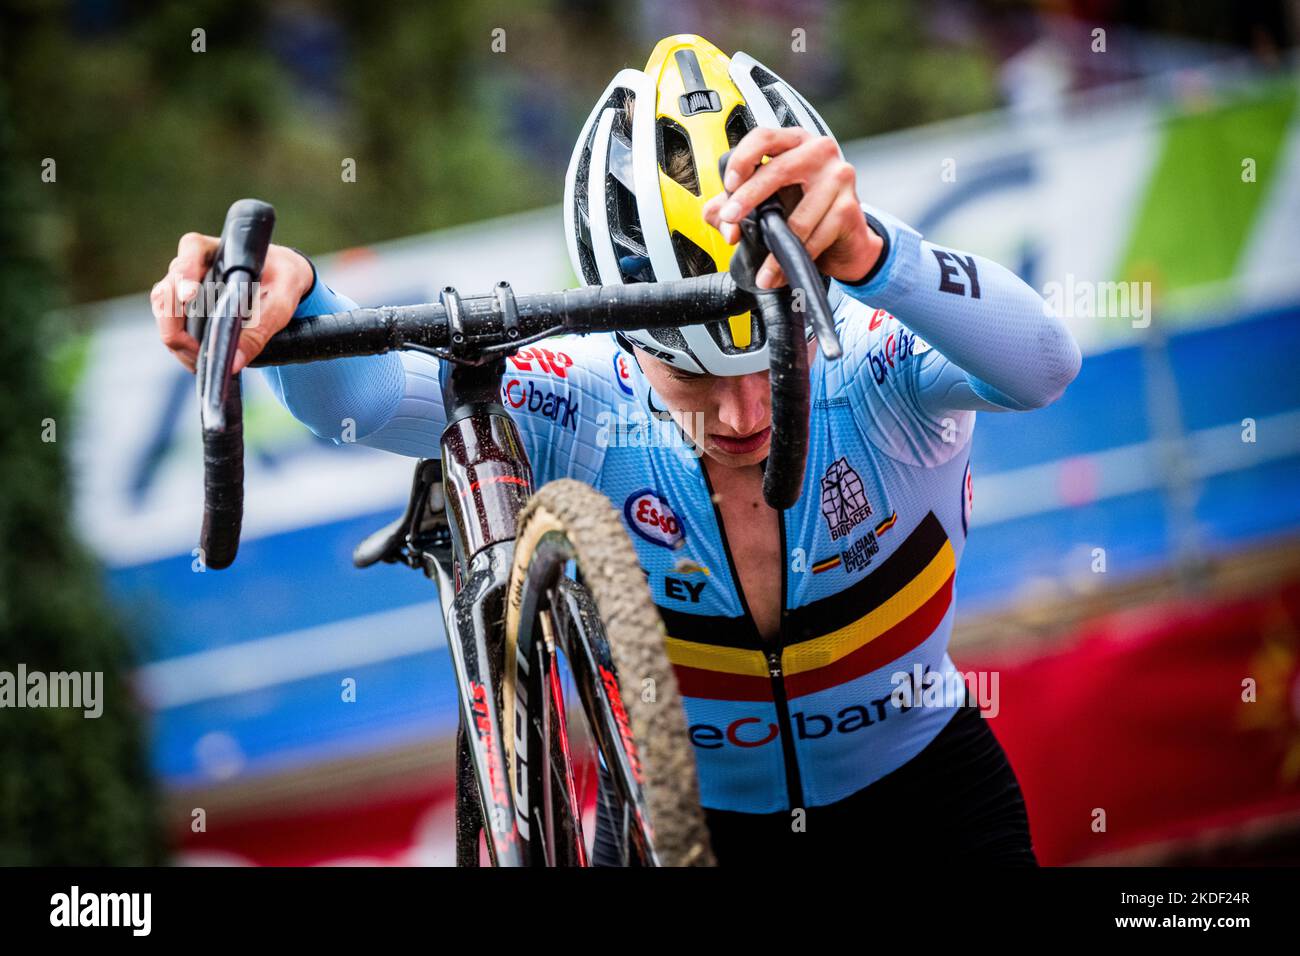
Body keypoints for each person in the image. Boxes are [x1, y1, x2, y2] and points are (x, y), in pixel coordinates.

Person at [152, 35, 1080, 866]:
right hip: (689, 831)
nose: (743, 413)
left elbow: (1045, 363)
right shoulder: (581, 394)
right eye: (695, 383)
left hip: (930, 802)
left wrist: (880, 253)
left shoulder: (876, 348)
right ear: (630, 341)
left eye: (772, 362)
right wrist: (300, 299)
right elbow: (359, 400)